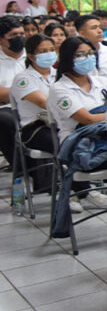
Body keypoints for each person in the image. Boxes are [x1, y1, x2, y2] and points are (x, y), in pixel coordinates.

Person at [46, 36, 107, 212]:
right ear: (68, 58)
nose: (87, 58)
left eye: (90, 53)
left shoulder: (102, 82)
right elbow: (87, 119)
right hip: (78, 146)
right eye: (80, 55)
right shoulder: (59, 88)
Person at [10, 34, 58, 190]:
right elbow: (45, 103)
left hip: (61, 123)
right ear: (31, 56)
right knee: (66, 142)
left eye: (51, 50)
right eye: (43, 51)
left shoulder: (61, 75)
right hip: (35, 129)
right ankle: (76, 190)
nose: (49, 54)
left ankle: (79, 187)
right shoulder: (23, 79)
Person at [0, 15, 28, 168]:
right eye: (13, 35)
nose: (19, 38)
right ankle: (20, 166)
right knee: (4, 120)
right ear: (1, 39)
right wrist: (28, 92)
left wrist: (12, 93)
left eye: (21, 34)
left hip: (37, 105)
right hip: (7, 109)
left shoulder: (34, 56)